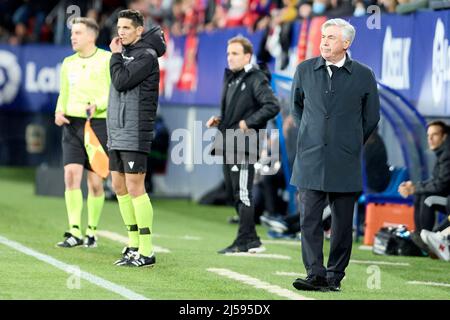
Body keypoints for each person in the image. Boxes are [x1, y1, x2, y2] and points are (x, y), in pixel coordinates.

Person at [290, 18, 380, 292]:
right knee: (309, 220)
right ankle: (315, 273)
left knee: (342, 224)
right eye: (323, 36)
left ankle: (334, 276)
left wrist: (348, 141)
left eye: (331, 37)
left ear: (346, 43)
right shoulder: (304, 70)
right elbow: (297, 109)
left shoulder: (364, 75)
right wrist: (313, 134)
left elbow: (371, 118)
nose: (324, 41)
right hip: (310, 158)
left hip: (345, 159)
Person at [207, 36, 280, 254]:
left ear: (247, 56)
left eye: (235, 53)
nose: (230, 58)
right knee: (232, 193)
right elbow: (237, 111)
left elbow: (272, 106)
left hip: (245, 144)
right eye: (228, 53)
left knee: (243, 193)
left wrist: (248, 123)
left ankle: (244, 240)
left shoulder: (256, 77)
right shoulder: (232, 79)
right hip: (228, 142)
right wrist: (221, 119)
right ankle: (252, 239)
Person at [107, 9, 166, 267]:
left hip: (135, 130)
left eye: (126, 28)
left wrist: (114, 56)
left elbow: (121, 81)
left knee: (134, 187)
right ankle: (133, 244)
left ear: (139, 30)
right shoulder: (127, 54)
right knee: (118, 186)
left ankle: (147, 250)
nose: (121, 32)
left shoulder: (147, 56)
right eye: (119, 27)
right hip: (117, 129)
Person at [54, 17, 112, 248]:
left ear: (91, 36)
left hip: (98, 125)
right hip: (72, 124)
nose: (73, 37)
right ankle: (74, 231)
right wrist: (59, 111)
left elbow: (113, 92)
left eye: (77, 33)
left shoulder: (107, 59)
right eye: (72, 33)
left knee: (95, 184)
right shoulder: (68, 62)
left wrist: (97, 104)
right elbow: (63, 92)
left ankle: (92, 231)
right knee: (70, 176)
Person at [398, 121, 450, 232]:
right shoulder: (442, 153)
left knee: (428, 199)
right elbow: (436, 180)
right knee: (420, 194)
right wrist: (415, 186)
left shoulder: (447, 154)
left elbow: (441, 185)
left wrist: (415, 188)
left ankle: (425, 239)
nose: (430, 139)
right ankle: (419, 236)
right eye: (428, 135)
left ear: (444, 137)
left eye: (434, 135)